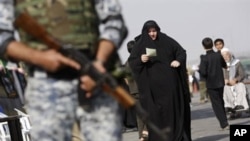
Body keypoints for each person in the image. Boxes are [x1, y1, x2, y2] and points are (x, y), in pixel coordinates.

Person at [0, 0, 127, 141]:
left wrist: (99, 63)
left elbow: (115, 22)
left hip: (93, 81)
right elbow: (2, 36)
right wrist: (41, 58)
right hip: (46, 85)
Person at [128, 20, 191, 141]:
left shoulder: (166, 40)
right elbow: (132, 63)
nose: (152, 34)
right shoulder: (140, 45)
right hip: (152, 91)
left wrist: (177, 61)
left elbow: (181, 52)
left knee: (172, 113)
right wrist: (140, 60)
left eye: (154, 31)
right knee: (156, 116)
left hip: (170, 87)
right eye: (150, 31)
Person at [198, 37, 229, 130]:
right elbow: (224, 65)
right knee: (221, 101)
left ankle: (224, 123)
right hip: (220, 82)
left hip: (211, 84)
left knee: (216, 104)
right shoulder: (218, 55)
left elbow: (203, 72)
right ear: (212, 45)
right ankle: (225, 120)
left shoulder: (204, 58)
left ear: (203, 46)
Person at [124, 40, 148, 141]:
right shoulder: (140, 60)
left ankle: (141, 137)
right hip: (143, 89)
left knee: (139, 116)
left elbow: (126, 79)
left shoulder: (127, 63)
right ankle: (146, 131)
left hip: (133, 91)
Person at [221, 48, 249, 113]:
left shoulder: (237, 62)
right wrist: (225, 80)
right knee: (225, 88)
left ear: (230, 55)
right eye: (223, 56)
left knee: (241, 86)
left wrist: (236, 79)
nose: (225, 57)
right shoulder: (220, 65)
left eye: (227, 55)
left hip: (237, 82)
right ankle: (229, 106)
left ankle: (240, 105)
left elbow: (242, 74)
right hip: (227, 84)